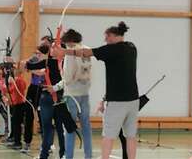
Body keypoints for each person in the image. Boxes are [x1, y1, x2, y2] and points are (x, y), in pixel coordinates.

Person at [52, 22, 139, 159]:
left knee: (108, 136)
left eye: (107, 37)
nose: (105, 40)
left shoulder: (112, 50)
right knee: (131, 136)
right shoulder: (131, 47)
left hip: (117, 102)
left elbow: (85, 53)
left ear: (113, 36)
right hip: (133, 100)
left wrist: (64, 52)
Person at [47, 29, 93, 159]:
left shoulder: (70, 54)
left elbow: (67, 77)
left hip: (72, 96)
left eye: (65, 44)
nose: (64, 47)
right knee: (86, 128)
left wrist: (57, 85)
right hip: (85, 93)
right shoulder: (87, 50)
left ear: (70, 42)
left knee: (69, 127)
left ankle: (69, 156)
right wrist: (56, 87)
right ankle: (88, 156)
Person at [22, 42, 65, 159]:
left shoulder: (56, 62)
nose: (52, 49)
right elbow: (29, 66)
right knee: (52, 127)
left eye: (54, 47)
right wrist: (34, 58)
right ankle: (52, 155)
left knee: (54, 127)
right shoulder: (52, 62)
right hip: (53, 97)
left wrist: (29, 61)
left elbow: (28, 66)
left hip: (56, 97)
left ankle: (54, 155)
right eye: (51, 47)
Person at [21, 45, 49, 153]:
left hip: (42, 89)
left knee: (43, 117)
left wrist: (30, 69)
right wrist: (28, 63)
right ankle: (27, 143)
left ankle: (46, 144)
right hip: (32, 89)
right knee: (28, 115)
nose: (36, 55)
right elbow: (23, 65)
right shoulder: (34, 61)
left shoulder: (46, 62)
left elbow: (42, 72)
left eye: (39, 53)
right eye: (35, 53)